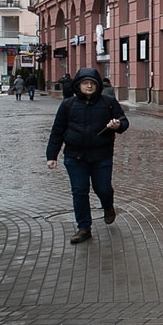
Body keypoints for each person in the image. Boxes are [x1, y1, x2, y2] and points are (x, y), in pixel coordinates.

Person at [46, 68, 129, 244]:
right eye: (85, 83)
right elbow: (57, 131)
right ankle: (84, 228)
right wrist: (51, 155)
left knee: (103, 189)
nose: (89, 86)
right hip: (75, 157)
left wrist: (117, 125)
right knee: (79, 191)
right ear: (78, 85)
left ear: (97, 85)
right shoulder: (68, 105)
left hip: (101, 156)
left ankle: (108, 206)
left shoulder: (108, 102)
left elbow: (123, 122)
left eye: (92, 83)